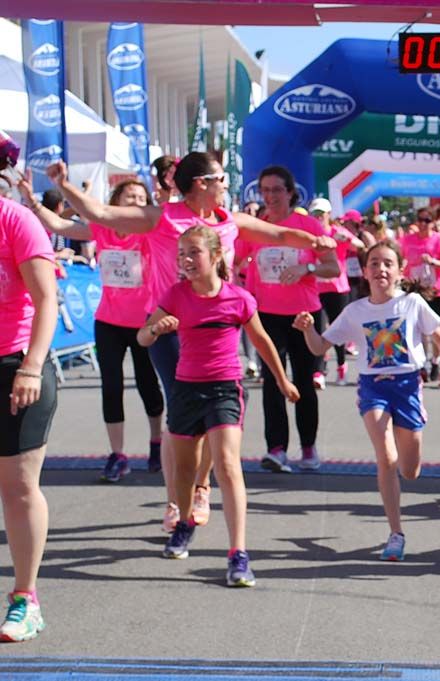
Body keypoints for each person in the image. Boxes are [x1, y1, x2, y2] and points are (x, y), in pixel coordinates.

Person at [47, 154, 337, 531]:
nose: (226, 185)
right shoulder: (162, 217)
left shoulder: (229, 221)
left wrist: (316, 240)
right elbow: (102, 214)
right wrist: (64, 186)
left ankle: (200, 485)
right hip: (170, 329)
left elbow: (280, 234)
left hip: (216, 331)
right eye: (220, 178)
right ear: (201, 183)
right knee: (180, 418)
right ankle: (174, 500)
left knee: (221, 417)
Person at [138, 225, 297, 585]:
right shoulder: (176, 294)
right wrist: (156, 329)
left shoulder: (238, 298)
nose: (186, 260)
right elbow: (142, 335)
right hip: (186, 390)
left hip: (226, 388)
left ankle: (238, 553)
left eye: (193, 252)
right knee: (185, 471)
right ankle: (184, 523)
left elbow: (262, 339)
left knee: (227, 465)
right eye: (181, 254)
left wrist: (282, 379)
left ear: (215, 256)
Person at [294, 240, 440, 561]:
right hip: (374, 387)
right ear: (365, 272)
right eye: (374, 263)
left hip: (408, 386)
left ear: (399, 271)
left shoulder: (411, 303)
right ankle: (396, 533)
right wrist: (308, 329)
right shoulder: (354, 311)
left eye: (387, 263)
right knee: (386, 456)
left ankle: (412, 436)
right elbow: (318, 348)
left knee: (410, 470)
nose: (380, 269)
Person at [20, 174, 165, 482]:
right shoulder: (101, 230)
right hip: (109, 322)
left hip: (144, 322)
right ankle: (118, 454)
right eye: (130, 199)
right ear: (115, 204)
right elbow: (59, 226)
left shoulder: (151, 232)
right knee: (111, 388)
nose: (137, 204)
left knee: (148, 385)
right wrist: (32, 201)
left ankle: (157, 442)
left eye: (142, 200)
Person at [0, 135, 60, 642]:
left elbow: (47, 300)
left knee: (17, 487)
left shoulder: (15, 221)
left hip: (15, 366)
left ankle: (25, 598)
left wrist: (31, 368)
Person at [241, 166, 340, 472]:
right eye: (265, 190)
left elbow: (333, 268)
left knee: (304, 382)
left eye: (276, 190)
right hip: (266, 313)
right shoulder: (255, 227)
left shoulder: (308, 226)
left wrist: (307, 269)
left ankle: (308, 448)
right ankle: (276, 449)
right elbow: (236, 260)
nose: (270, 196)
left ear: (289, 193)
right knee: (273, 381)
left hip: (303, 315)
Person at [308, 198, 364, 386]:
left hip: (338, 288)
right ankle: (318, 371)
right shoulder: (309, 235)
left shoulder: (337, 232)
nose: (318, 217)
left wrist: (347, 239)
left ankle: (341, 366)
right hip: (315, 288)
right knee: (317, 329)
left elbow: (360, 246)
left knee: (337, 328)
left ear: (328, 215)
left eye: (321, 214)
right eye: (314, 214)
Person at [402, 206, 440, 381]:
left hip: (438, 290)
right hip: (415, 290)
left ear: (433, 222)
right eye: (420, 219)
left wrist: (433, 261)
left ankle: (435, 360)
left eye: (427, 220)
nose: (423, 223)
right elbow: (401, 260)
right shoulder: (408, 240)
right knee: (418, 328)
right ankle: (423, 363)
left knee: (434, 329)